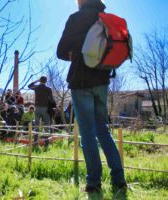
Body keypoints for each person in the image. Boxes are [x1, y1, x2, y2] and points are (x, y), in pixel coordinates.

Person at [57, 0, 126, 192]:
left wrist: (79, 54)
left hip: (81, 81)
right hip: (103, 80)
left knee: (87, 133)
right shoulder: (105, 19)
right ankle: (119, 179)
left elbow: (60, 52)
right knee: (103, 130)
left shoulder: (75, 18)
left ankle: (94, 182)